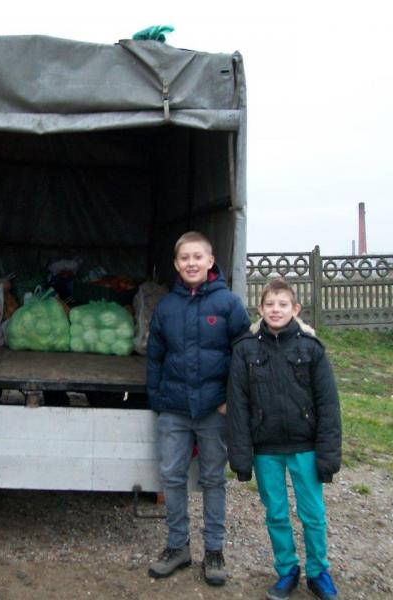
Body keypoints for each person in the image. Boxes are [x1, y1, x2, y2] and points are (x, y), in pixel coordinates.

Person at [146, 231, 251, 585]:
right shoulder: (166, 307)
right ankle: (177, 547)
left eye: (197, 257)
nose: (191, 263)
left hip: (213, 410)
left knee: (212, 480)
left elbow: (244, 354)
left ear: (210, 261)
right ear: (176, 265)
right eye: (184, 258)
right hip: (174, 409)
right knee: (172, 477)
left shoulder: (229, 304)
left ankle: (215, 552)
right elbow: (155, 357)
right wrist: (156, 398)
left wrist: (230, 399)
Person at [226, 278, 341, 600]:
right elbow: (237, 405)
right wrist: (241, 456)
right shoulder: (245, 350)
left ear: (295, 309)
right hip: (267, 450)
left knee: (313, 515)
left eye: (283, 304)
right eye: (270, 304)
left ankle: (319, 572)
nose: (276, 310)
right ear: (260, 309)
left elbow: (328, 405)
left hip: (305, 448)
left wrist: (328, 455)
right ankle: (287, 569)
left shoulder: (311, 348)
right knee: (275, 513)